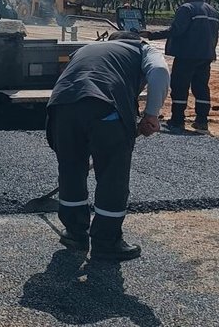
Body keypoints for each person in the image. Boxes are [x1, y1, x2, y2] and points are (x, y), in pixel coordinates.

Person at [46, 31, 169, 261]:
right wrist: (151, 115)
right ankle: (106, 242)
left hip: (62, 107)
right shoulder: (142, 49)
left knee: (71, 170)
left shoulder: (86, 49)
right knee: (113, 176)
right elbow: (160, 72)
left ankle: (74, 233)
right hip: (106, 107)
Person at [140, 0, 219, 132]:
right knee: (201, 88)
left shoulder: (186, 8)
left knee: (179, 87)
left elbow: (176, 30)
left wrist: (151, 35)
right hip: (206, 55)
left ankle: (177, 121)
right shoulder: (213, 11)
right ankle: (202, 121)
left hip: (186, 55)